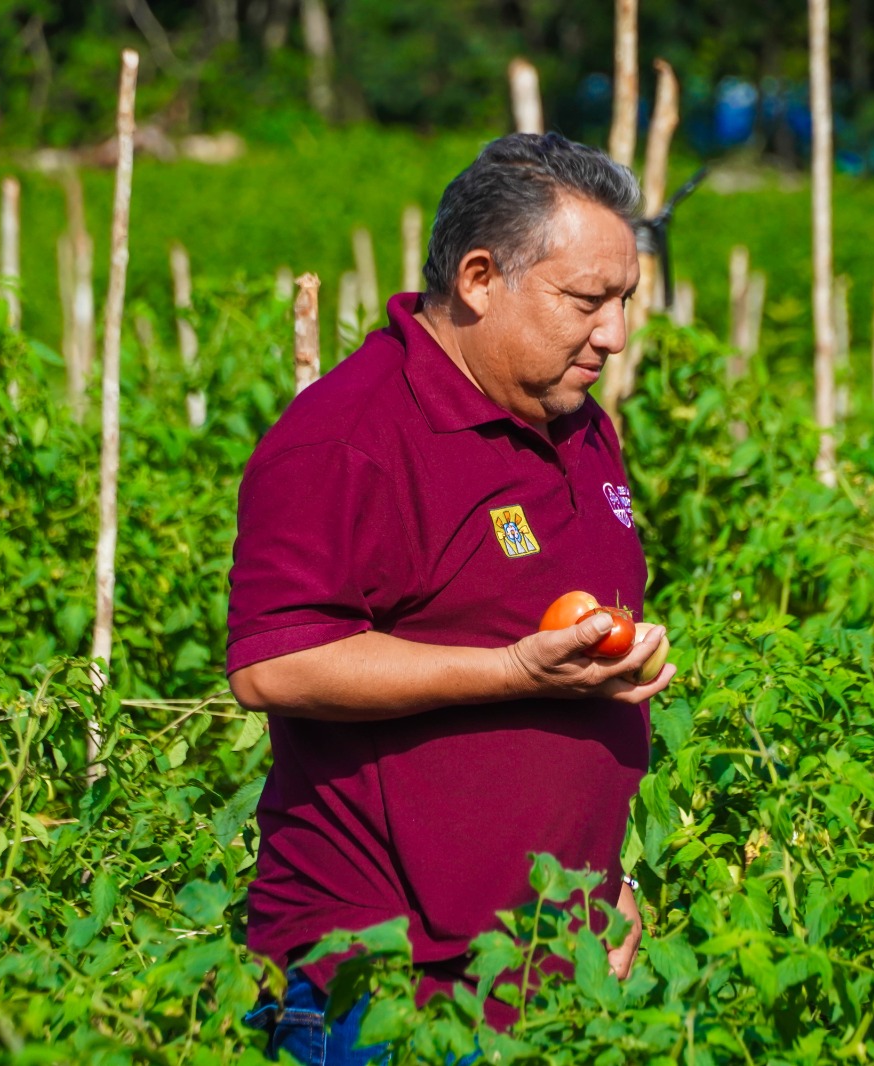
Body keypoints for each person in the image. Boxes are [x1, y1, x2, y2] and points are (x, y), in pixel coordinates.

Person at [226, 132, 676, 1064]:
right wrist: (513, 672)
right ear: (478, 278)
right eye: (587, 301)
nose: (615, 334)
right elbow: (275, 662)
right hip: (389, 981)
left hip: (548, 964)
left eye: (624, 299)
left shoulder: (580, 424)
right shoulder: (350, 439)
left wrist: (604, 878)